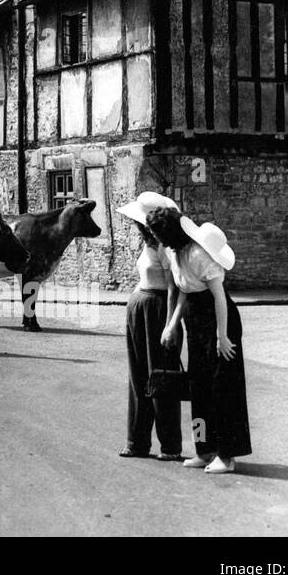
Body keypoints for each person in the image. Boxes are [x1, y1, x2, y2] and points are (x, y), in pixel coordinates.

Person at [148, 206, 252, 474]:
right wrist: (171, 325)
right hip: (195, 320)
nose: (156, 239)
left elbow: (219, 297)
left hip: (219, 318)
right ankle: (205, 450)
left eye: (158, 234)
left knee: (222, 388)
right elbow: (184, 292)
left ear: (168, 233)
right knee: (199, 387)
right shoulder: (176, 253)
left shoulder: (197, 254)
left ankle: (227, 456)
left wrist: (223, 336)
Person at [116, 191, 184, 461]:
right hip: (140, 308)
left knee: (162, 377)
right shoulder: (147, 244)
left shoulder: (163, 246)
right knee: (138, 376)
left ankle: (170, 446)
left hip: (157, 311)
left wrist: (170, 325)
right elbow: (145, 277)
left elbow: (173, 287)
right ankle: (137, 442)